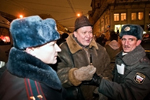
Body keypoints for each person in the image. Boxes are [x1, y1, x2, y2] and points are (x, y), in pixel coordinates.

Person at [0, 15, 67, 100]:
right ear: (31, 50)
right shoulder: (32, 91)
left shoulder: (15, 69)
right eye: (52, 45)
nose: (59, 49)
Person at [87, 24, 150, 100]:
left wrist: (100, 82)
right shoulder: (121, 56)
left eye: (131, 39)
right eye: (123, 39)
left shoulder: (143, 66)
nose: (126, 43)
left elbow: (129, 93)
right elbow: (114, 76)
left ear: (138, 42)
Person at [57, 15, 112, 100]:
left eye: (90, 32)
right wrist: (75, 76)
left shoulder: (100, 49)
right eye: (84, 32)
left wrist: (102, 86)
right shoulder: (64, 50)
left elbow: (108, 69)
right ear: (75, 34)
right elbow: (58, 76)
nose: (88, 36)